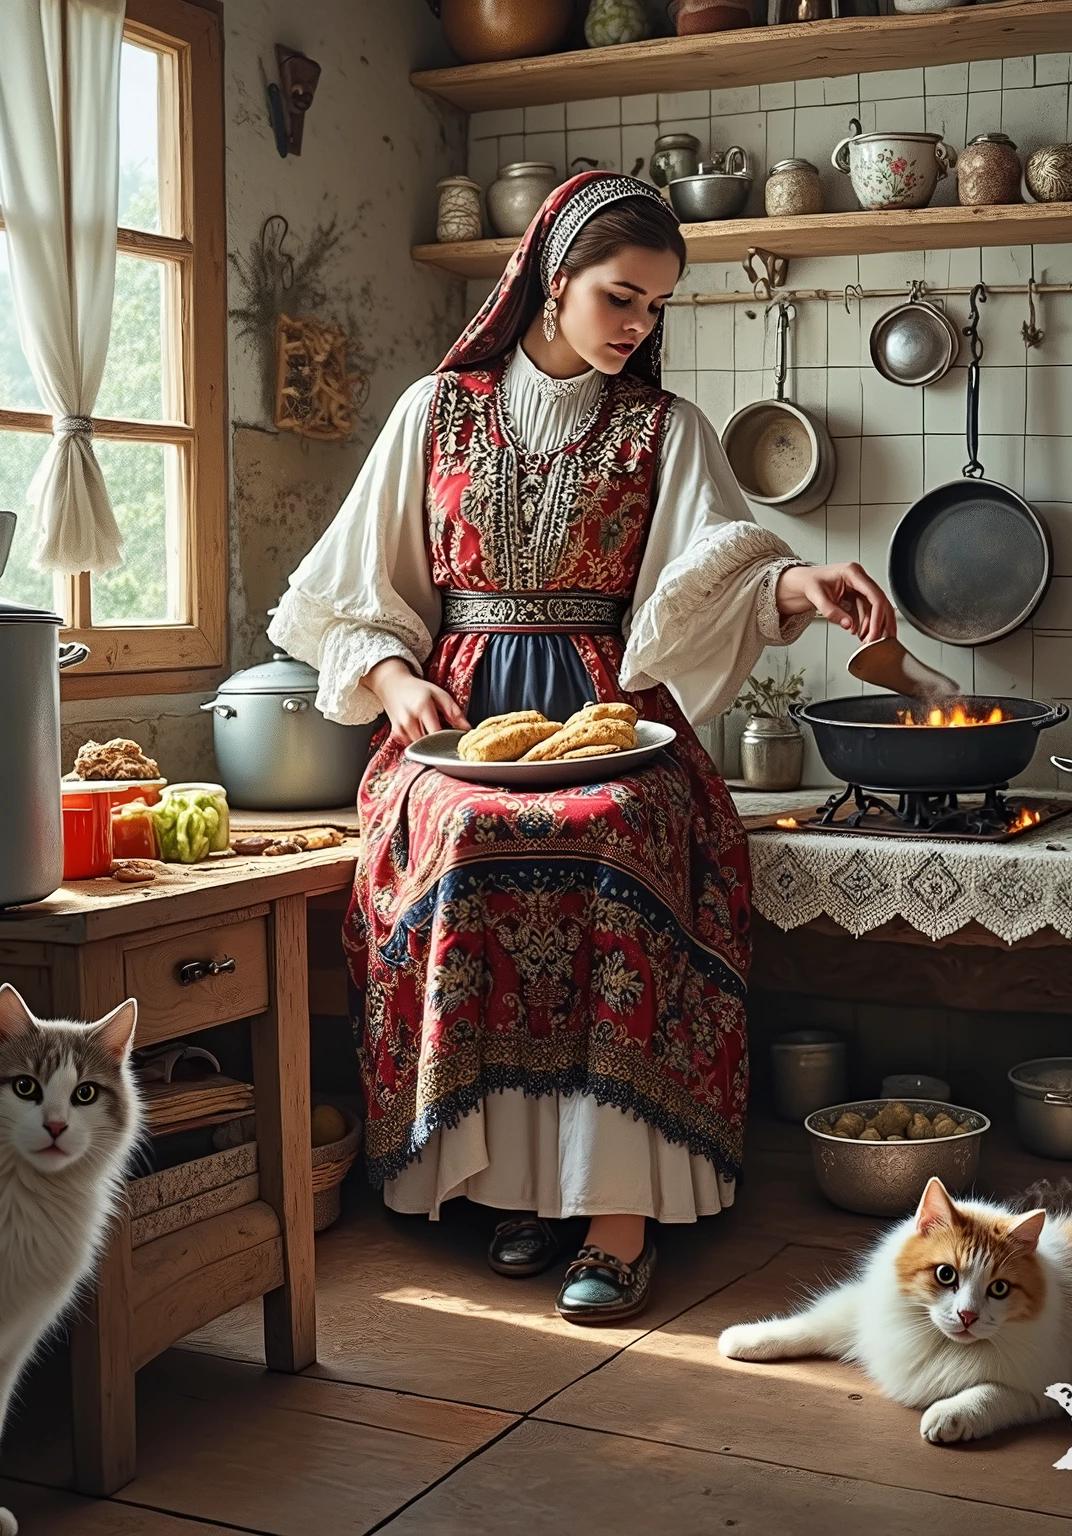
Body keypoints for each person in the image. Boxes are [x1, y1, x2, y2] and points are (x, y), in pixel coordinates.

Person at [269, 171, 895, 1323]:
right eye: (620, 298)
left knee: (610, 839)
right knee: (460, 839)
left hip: (618, 716)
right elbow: (353, 588)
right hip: (459, 722)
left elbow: (722, 580)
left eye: (655, 308)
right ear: (551, 285)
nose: (637, 327)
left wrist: (802, 584)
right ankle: (516, 1185)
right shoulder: (434, 412)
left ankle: (613, 1211)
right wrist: (394, 676)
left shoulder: (667, 430)